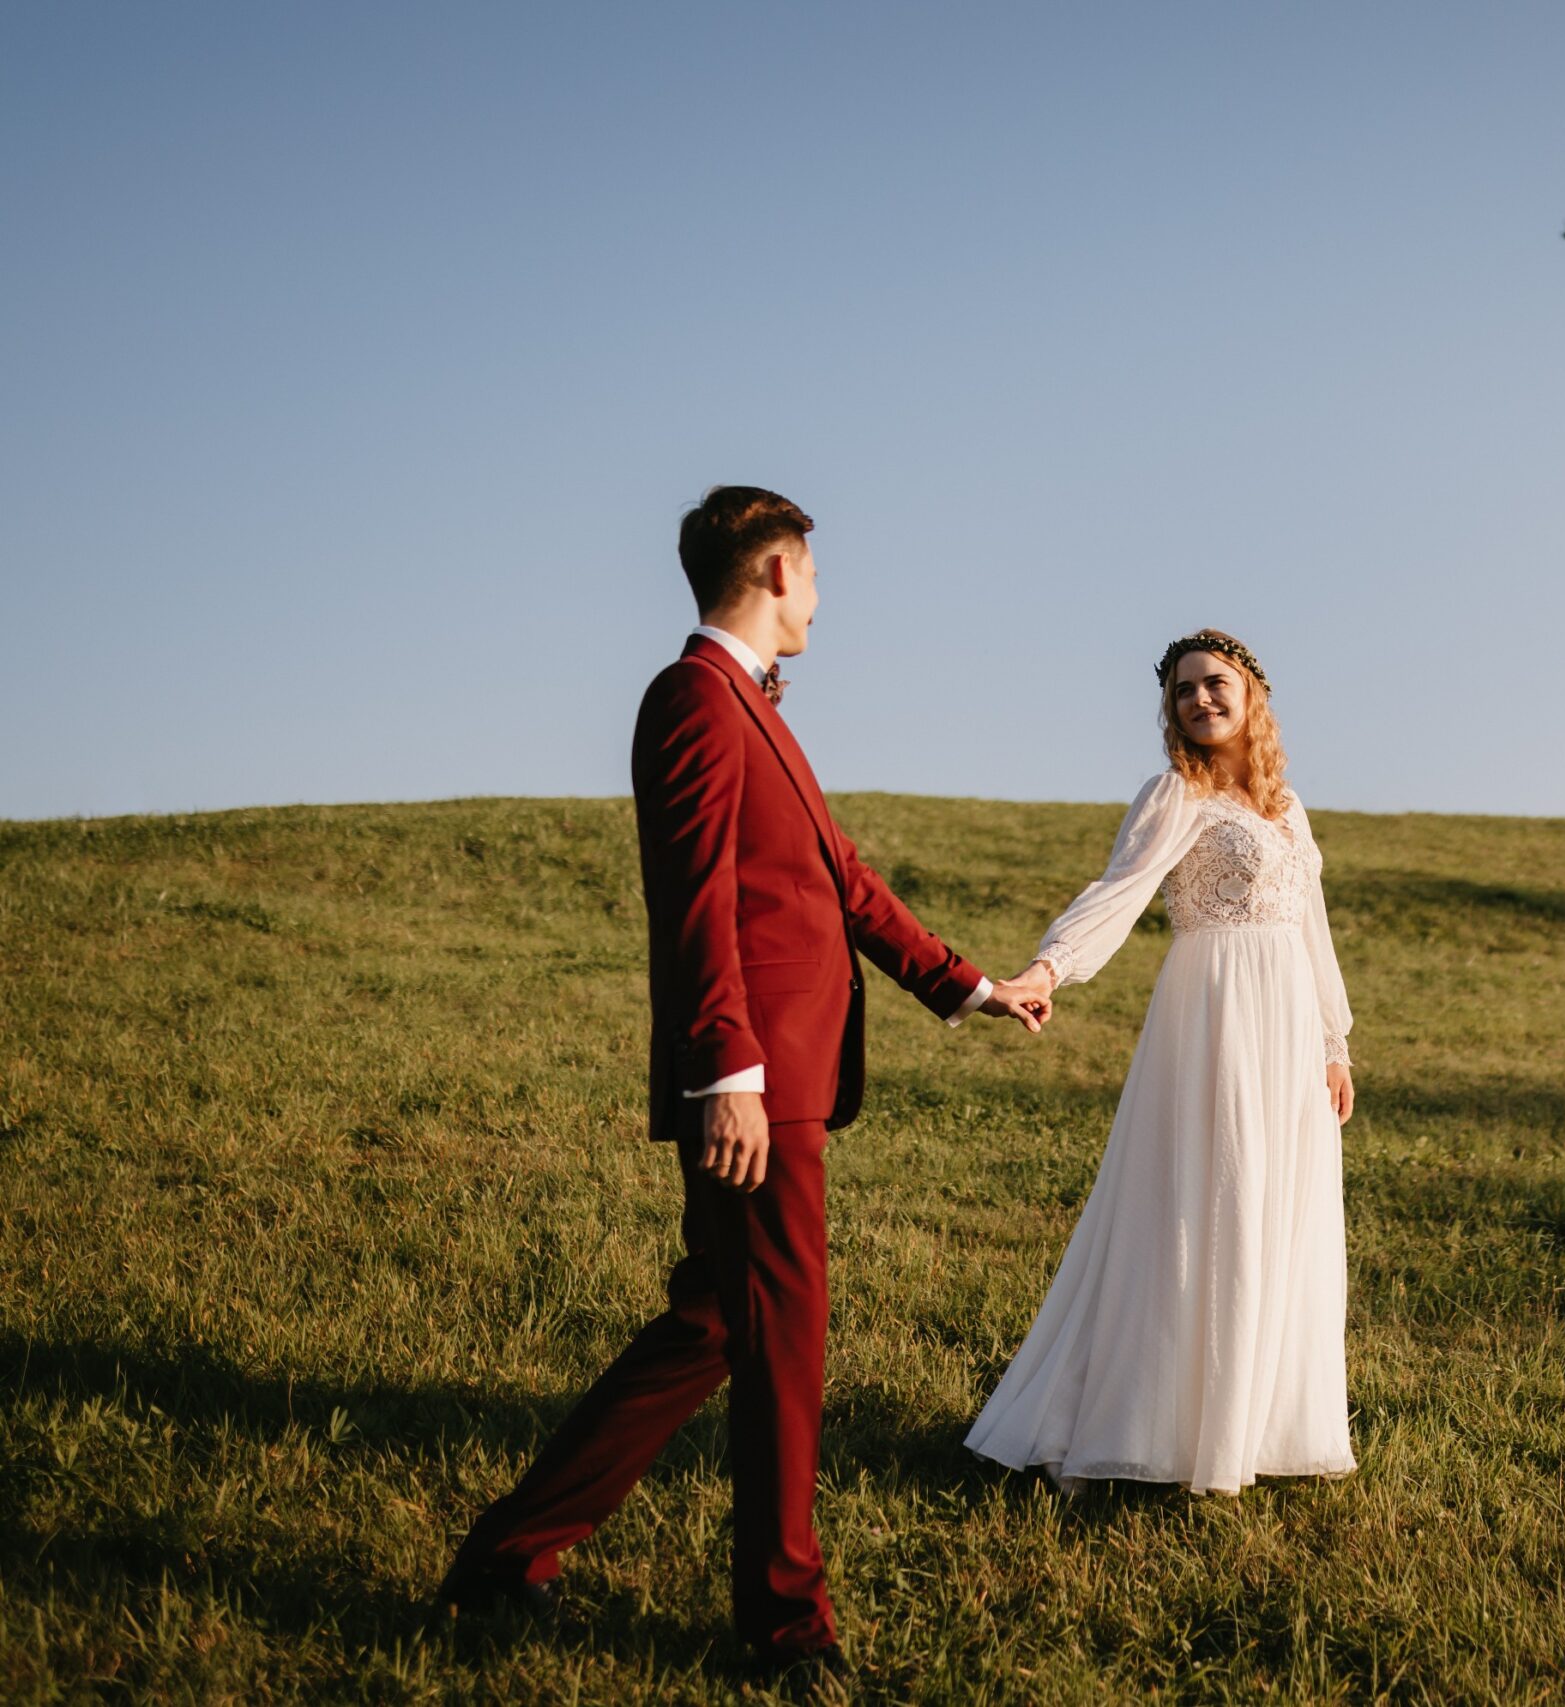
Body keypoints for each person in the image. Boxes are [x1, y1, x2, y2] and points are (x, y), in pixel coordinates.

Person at [435, 486, 1051, 1681]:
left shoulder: (748, 707)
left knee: (716, 1322)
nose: (820, 596)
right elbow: (695, 898)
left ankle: (507, 1558)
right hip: (757, 1084)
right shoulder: (693, 698)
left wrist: (969, 987)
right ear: (774, 570)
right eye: (812, 573)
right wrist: (727, 1070)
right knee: (783, 1348)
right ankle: (783, 1628)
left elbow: (841, 879)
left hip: (778, 1073)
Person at [966, 629, 1358, 1495]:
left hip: (1289, 1029)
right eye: (1183, 690)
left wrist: (1333, 1042)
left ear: (1252, 694)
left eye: (1214, 683)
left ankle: (1252, 1426)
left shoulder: (1287, 808)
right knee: (1205, 1204)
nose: (1199, 699)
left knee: (1279, 1210)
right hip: (1214, 1016)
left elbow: (1313, 929)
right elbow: (1117, 890)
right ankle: (1150, 1426)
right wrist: (1048, 968)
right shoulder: (1176, 794)